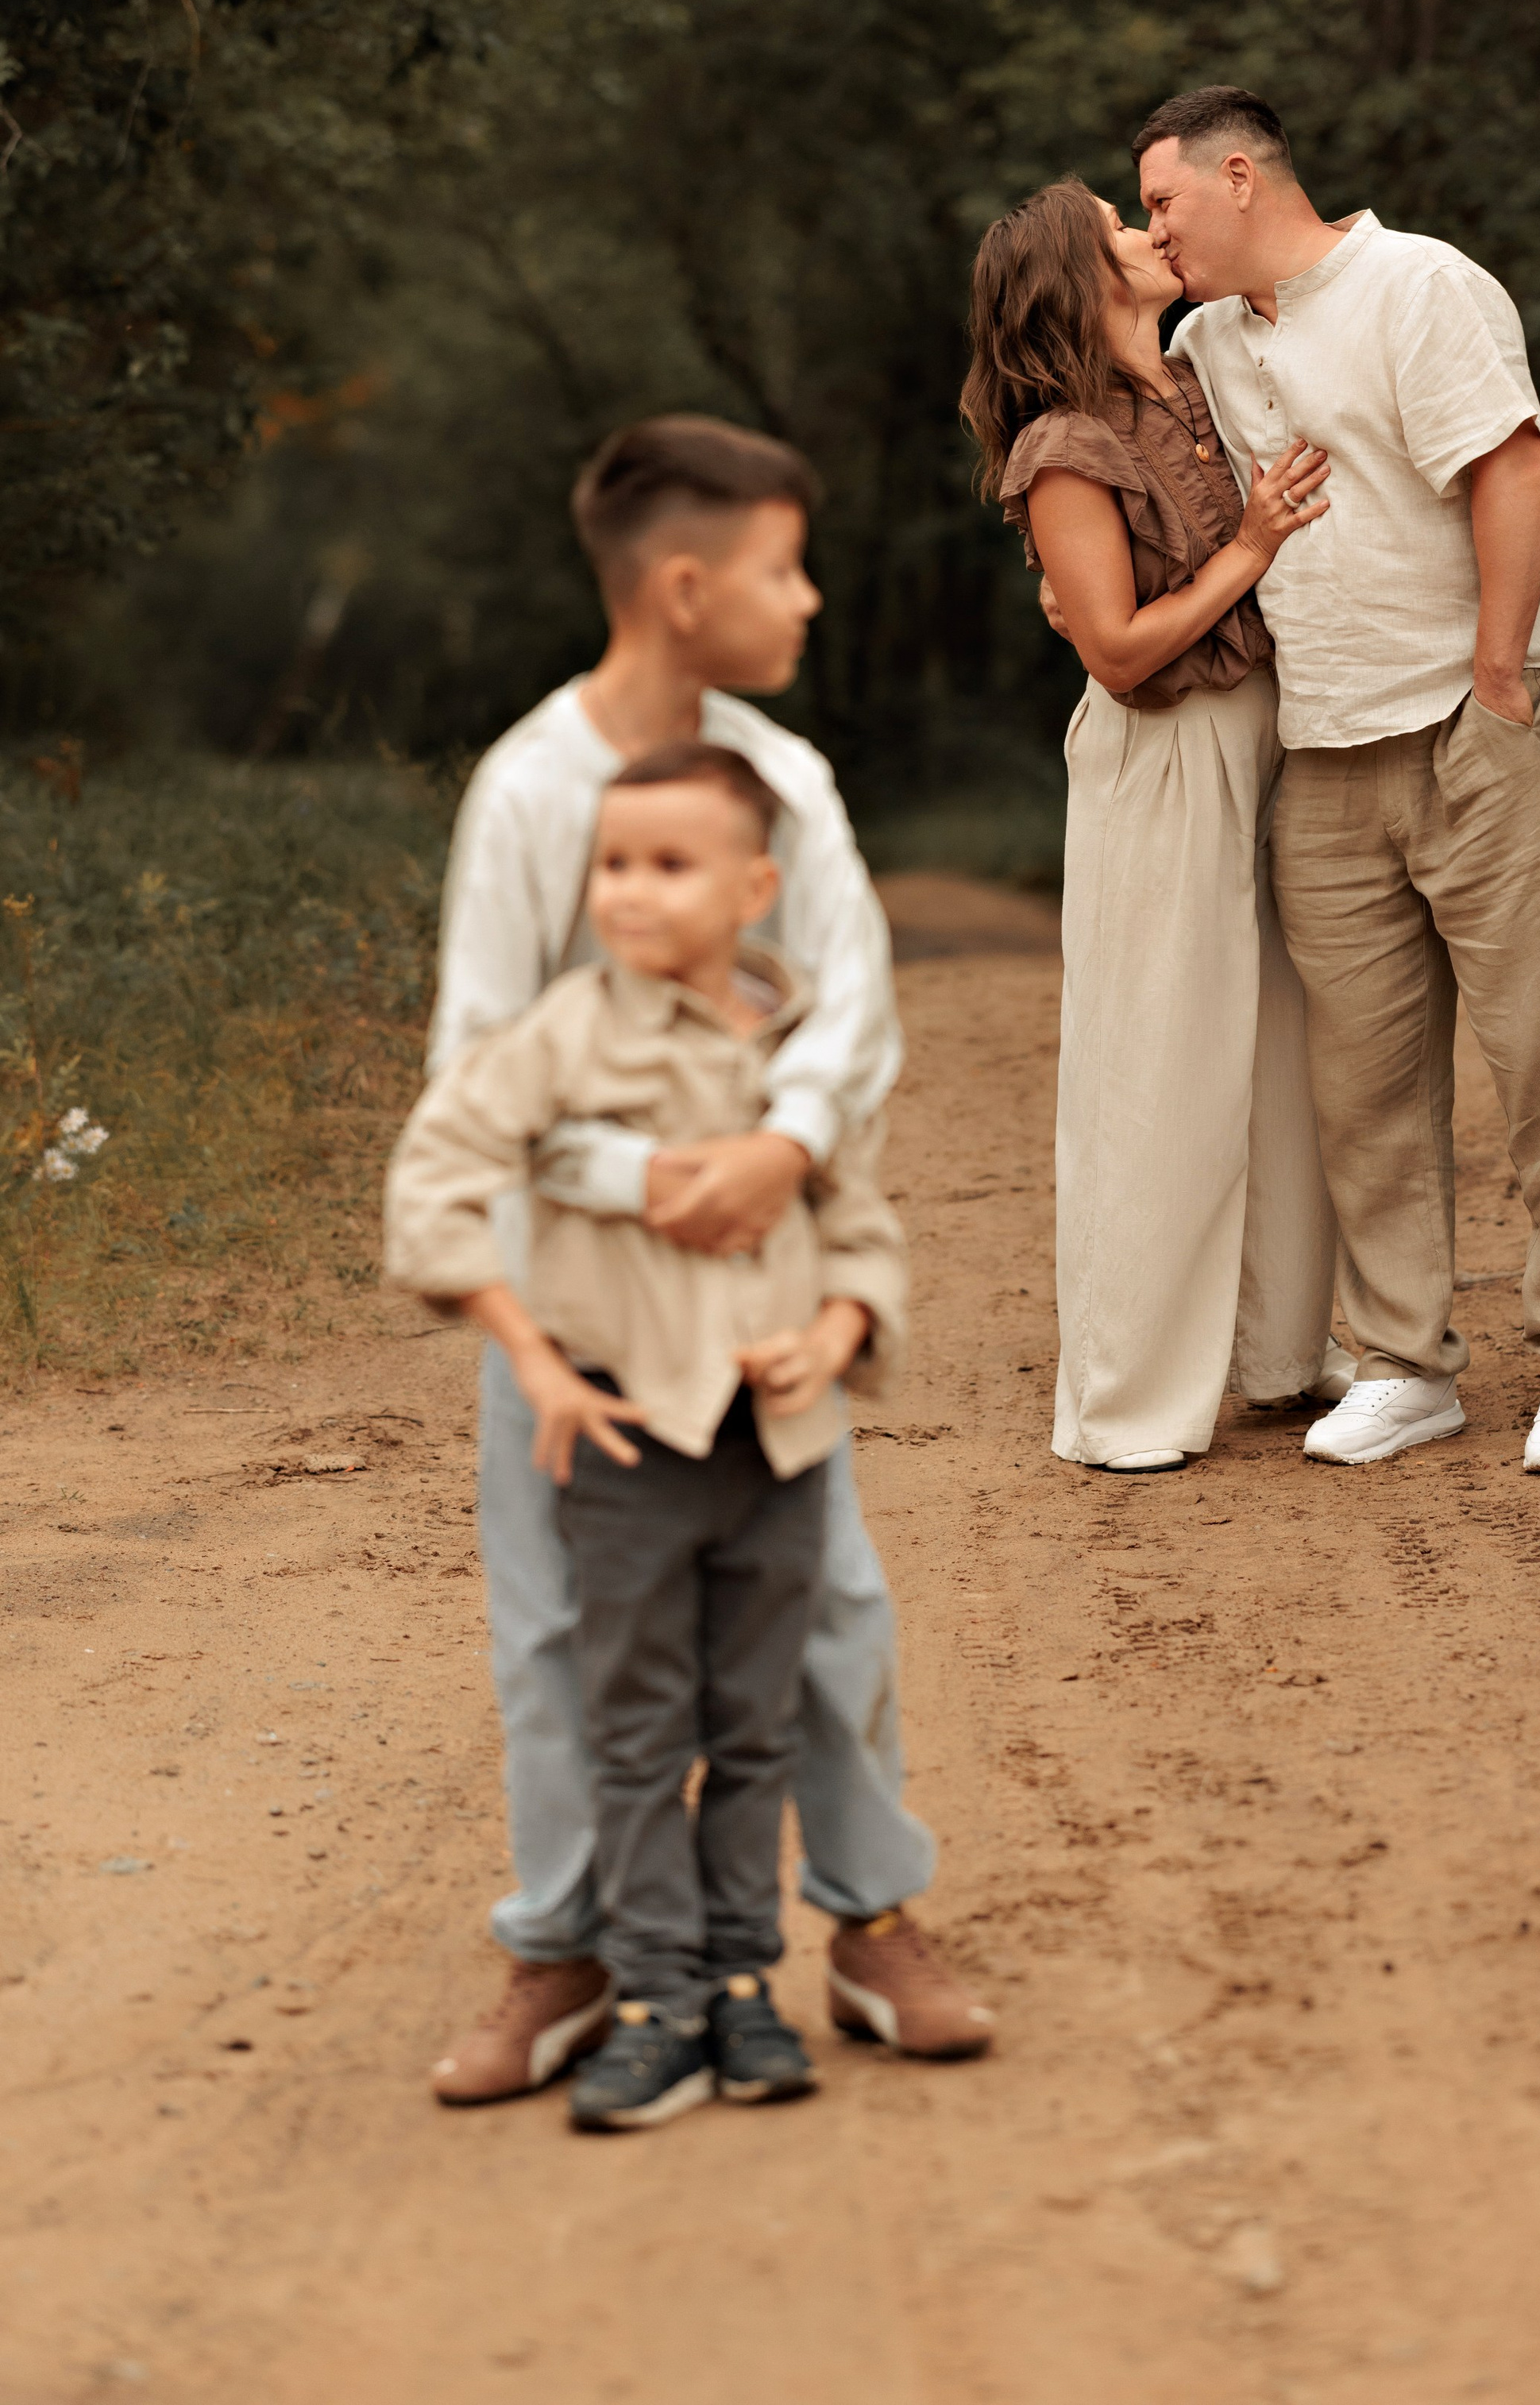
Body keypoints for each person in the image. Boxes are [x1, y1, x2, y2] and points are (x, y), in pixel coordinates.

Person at [425, 415, 991, 2106]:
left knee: (824, 1599)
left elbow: (851, 1004)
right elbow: (477, 1062)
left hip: (758, 1282)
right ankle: (569, 1943)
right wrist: (639, 1173)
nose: (806, 600)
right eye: (780, 568)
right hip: (585, 1292)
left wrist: (779, 1149)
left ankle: (870, 1915)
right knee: (558, 1622)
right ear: (683, 587)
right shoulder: (533, 789)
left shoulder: (783, 783)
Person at [388, 741, 912, 2129]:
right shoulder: (564, 1034)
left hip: (776, 1446)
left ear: (754, 889)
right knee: (632, 1729)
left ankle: (744, 1985)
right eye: (612, 863)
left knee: (751, 1724)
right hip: (627, 1443)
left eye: (670, 865)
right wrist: (532, 1358)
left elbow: (858, 1221)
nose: (628, 891)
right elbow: (437, 1175)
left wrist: (835, 1335)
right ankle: (654, 2001)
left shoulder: (798, 1048)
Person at [1133, 86, 1540, 1475]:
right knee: (1363, 1085)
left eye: (1165, 202)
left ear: (1242, 175)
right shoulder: (1203, 341)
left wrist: (1499, 682)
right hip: (1325, 740)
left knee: (1538, 1050)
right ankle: (1408, 1361)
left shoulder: (1418, 283)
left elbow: (1518, 466)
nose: (1155, 230)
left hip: (1473, 716)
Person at [962, 180, 1359, 1472]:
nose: (1150, 236)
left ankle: (1284, 1352)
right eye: (1121, 228)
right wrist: (1249, 547)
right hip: (1165, 755)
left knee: (1283, 1056)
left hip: (1266, 739)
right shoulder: (1063, 448)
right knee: (1157, 1069)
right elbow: (1122, 651)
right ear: (1082, 279)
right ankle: (1126, 1400)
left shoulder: (1196, 379)